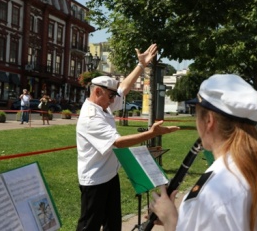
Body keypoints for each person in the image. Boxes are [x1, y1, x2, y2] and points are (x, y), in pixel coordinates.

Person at [149, 74, 257, 231]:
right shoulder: (252, 170)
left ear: (209, 120)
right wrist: (185, 221)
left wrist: (171, 221)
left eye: (196, 113)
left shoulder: (216, 192)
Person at [76, 43, 180, 231]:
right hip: (94, 179)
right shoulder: (90, 116)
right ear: (97, 92)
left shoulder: (103, 104)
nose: (114, 100)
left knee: (113, 224)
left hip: (108, 175)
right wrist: (152, 133)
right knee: (89, 225)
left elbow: (124, 87)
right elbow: (118, 142)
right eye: (110, 96)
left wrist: (141, 65)